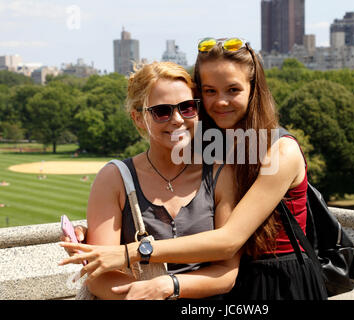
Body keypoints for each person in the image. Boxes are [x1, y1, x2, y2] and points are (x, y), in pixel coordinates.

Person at [60, 38, 327, 300]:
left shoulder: (279, 151)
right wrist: (95, 230)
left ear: (253, 89)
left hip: (281, 280)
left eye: (233, 89)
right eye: (210, 91)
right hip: (233, 285)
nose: (220, 101)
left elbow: (229, 240)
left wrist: (131, 252)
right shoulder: (216, 148)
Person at [61, 61, 240, 300]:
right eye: (162, 111)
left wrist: (170, 286)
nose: (177, 119)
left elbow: (227, 273)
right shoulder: (114, 178)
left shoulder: (220, 174)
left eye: (187, 107)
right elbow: (100, 276)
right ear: (138, 118)